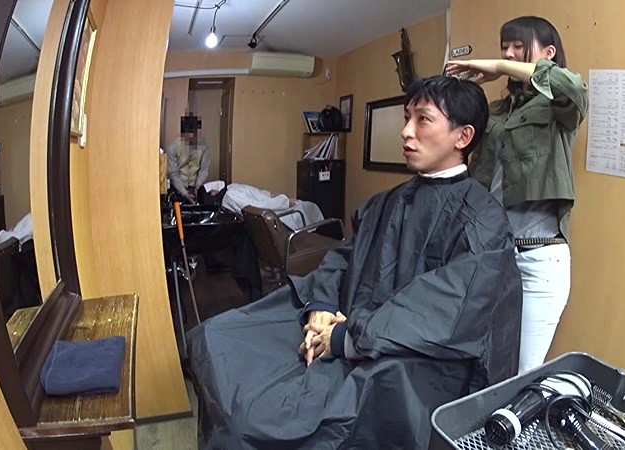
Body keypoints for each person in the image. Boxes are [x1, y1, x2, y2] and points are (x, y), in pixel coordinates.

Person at [187, 76, 522, 449]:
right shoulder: (388, 202)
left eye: (423, 120)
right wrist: (321, 307)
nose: (406, 132)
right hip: (348, 322)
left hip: (405, 356)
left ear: (463, 136)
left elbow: (444, 311)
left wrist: (345, 338)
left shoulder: (483, 223)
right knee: (216, 336)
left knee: (257, 424)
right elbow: (344, 258)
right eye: (406, 118)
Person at [445, 16, 589, 373]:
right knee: (478, 363)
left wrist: (498, 66)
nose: (508, 53)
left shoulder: (559, 110)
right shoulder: (497, 112)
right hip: (490, 256)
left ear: (549, 53)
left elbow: (570, 86)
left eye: (518, 47)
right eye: (504, 47)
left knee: (522, 372)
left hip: (539, 260)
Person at [167, 114, 211, 204]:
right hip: (177, 186)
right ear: (183, 133)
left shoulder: (205, 146)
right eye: (188, 133)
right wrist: (184, 193)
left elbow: (204, 170)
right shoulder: (173, 147)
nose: (191, 136)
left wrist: (198, 187)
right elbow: (173, 174)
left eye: (193, 133)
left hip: (195, 187)